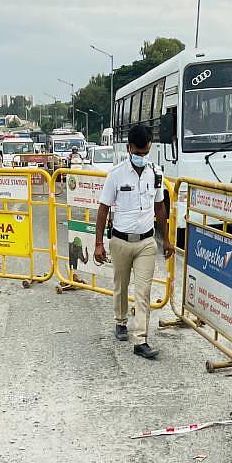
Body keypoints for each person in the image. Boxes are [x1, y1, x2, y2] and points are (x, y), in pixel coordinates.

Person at [94, 123, 173, 360]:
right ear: (129, 148)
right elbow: (103, 209)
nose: (141, 157)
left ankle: (141, 340)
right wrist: (98, 244)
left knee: (143, 291)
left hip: (146, 243)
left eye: (145, 152)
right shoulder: (116, 174)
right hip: (120, 241)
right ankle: (120, 321)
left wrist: (167, 240)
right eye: (138, 153)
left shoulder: (155, 173)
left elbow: (160, 207)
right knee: (121, 285)